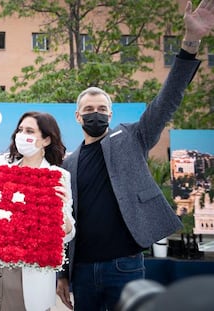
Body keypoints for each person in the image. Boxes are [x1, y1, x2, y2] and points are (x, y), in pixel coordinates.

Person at [56, 1, 214, 310]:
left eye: (102, 109)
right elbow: (65, 222)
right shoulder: (68, 164)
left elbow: (167, 99)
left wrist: (190, 44)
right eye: (89, 110)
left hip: (124, 266)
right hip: (82, 271)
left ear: (111, 114)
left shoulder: (131, 136)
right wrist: (63, 274)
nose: (96, 114)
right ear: (77, 117)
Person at [0, 108, 76, 311]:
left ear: (46, 140)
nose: (22, 135)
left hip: (30, 277)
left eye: (30, 131)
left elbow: (68, 233)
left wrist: (61, 214)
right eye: (20, 130)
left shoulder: (58, 176)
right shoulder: (2, 165)